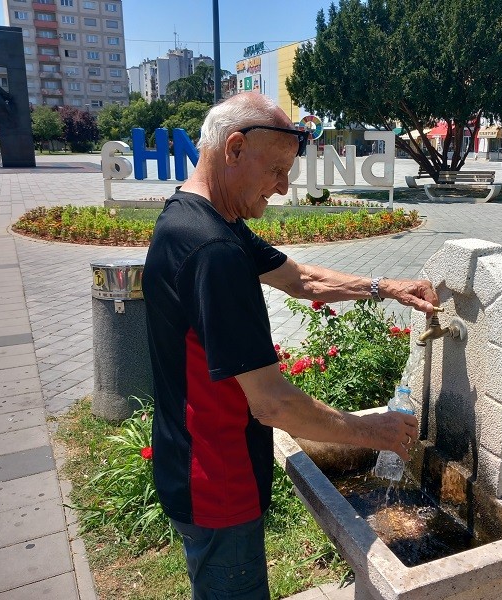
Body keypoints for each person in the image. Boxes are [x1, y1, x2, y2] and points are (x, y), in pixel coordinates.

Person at [142, 92, 439, 600]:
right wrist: (373, 431)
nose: (282, 189)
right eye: (277, 170)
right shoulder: (214, 250)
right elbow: (272, 402)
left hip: (191, 466)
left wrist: (384, 287)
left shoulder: (203, 219)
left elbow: (301, 278)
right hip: (218, 483)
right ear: (234, 149)